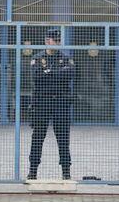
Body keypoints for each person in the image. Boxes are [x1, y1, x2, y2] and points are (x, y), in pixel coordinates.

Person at [28, 29, 75, 180]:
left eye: (58, 40)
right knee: (38, 137)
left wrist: (48, 72)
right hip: (42, 102)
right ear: (47, 41)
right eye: (55, 40)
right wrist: (57, 74)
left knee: (63, 138)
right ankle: (33, 170)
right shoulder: (37, 58)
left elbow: (70, 74)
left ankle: (66, 172)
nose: (57, 42)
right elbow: (37, 77)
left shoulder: (66, 58)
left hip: (61, 102)